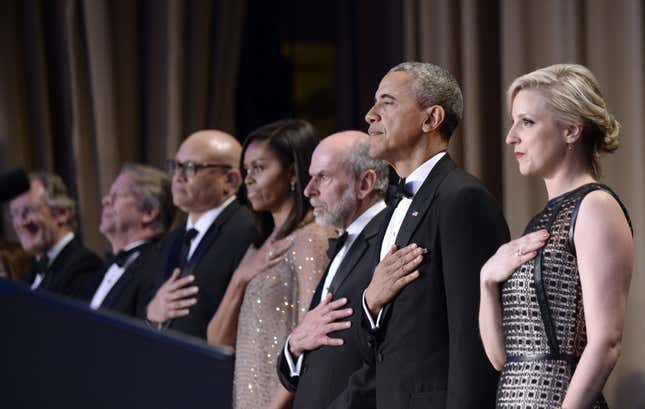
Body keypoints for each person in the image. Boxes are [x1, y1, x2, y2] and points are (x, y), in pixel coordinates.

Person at [479, 64, 633, 409]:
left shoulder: (595, 207)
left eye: (527, 122)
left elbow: (606, 342)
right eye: (513, 121)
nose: (511, 136)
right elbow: (505, 362)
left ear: (571, 131)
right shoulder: (541, 222)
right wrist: (486, 281)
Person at [359, 62, 510, 408]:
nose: (370, 115)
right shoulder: (391, 208)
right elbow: (378, 345)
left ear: (431, 119)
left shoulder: (463, 199)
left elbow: (473, 340)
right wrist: (371, 302)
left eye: (387, 102)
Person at [206, 119, 334, 409]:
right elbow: (217, 341)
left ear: (292, 173)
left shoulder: (311, 237)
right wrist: (240, 279)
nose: (248, 179)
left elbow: (311, 337)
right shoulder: (256, 248)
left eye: (260, 168)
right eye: (246, 169)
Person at [276, 131, 389, 409]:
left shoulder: (390, 239)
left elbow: (388, 357)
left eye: (322, 177)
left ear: (365, 183)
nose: (307, 190)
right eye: (310, 176)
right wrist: (294, 345)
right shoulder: (344, 240)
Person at [145, 130, 258, 339]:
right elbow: (152, 308)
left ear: (231, 180)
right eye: (176, 165)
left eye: (190, 167)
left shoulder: (247, 232)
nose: (178, 176)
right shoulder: (171, 239)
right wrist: (152, 311)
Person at [89, 164, 174, 318]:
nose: (105, 200)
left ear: (149, 213)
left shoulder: (157, 268)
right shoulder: (101, 269)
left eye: (117, 196)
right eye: (109, 195)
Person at [9, 171, 103, 301]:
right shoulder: (31, 271)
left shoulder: (84, 265)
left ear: (62, 213)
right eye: (14, 214)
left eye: (28, 211)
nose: (20, 223)